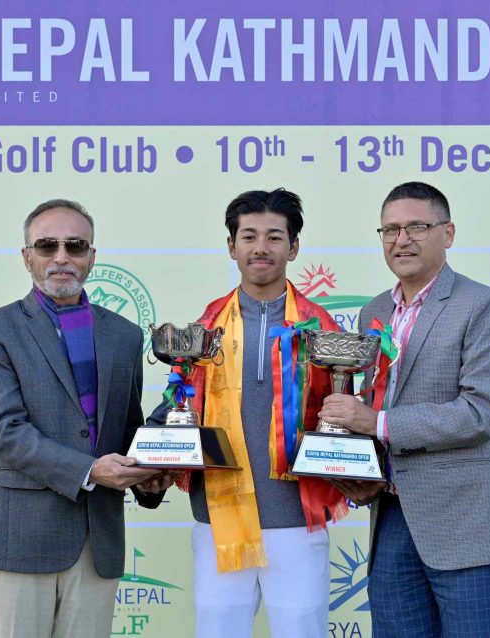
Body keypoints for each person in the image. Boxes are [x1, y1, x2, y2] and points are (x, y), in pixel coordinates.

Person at [321, 182, 490, 638]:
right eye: (390, 230)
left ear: (448, 233)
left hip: (465, 522)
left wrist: (375, 423)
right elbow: (374, 401)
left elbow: (480, 412)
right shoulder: (374, 311)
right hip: (391, 517)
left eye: (417, 226)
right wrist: (357, 463)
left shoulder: (482, 304)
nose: (402, 239)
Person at [143, 188, 348, 638]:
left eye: (274, 237)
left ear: (294, 247)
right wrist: (144, 462)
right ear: (231, 246)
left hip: (297, 521)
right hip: (218, 518)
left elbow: (344, 416)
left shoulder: (321, 328)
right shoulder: (207, 325)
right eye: (249, 236)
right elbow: (178, 402)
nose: (261, 248)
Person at [0, 199, 166, 638]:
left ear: (91, 256)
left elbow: (127, 428)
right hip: (20, 538)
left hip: (98, 541)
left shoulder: (125, 335)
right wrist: (90, 471)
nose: (61, 257)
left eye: (75, 246)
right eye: (46, 246)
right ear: (27, 257)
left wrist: (149, 477)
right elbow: (6, 432)